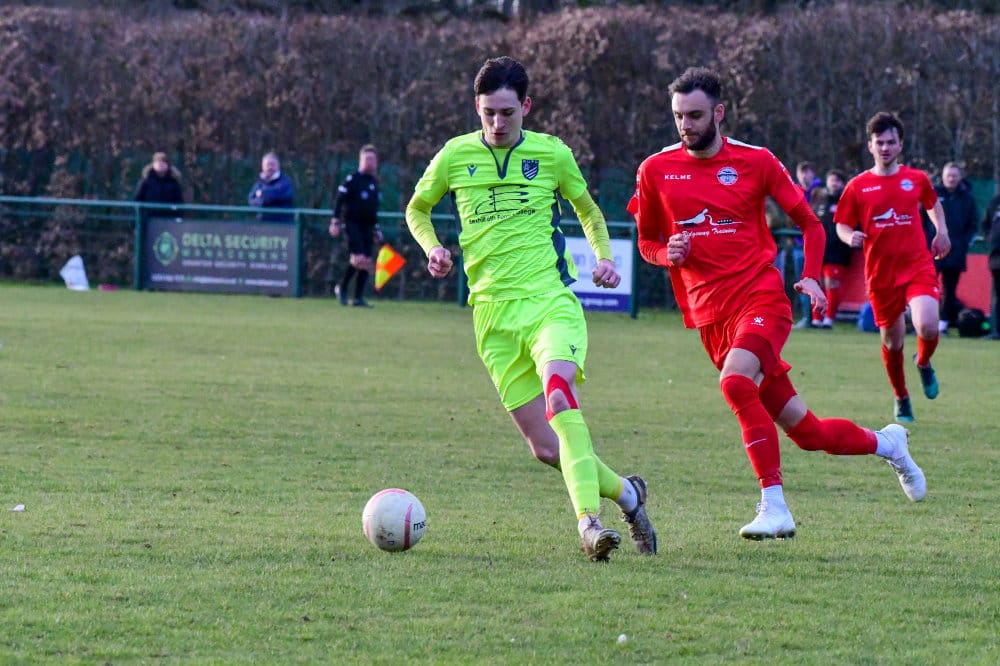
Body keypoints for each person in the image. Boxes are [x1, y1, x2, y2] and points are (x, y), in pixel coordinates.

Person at [629, 67, 925, 541]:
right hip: (711, 318)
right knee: (809, 433)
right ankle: (887, 443)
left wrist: (810, 275)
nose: (685, 125)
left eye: (695, 115)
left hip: (761, 297)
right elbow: (646, 241)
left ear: (719, 112)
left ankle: (775, 505)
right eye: (679, 116)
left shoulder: (757, 160)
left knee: (735, 383)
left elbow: (811, 223)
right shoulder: (655, 169)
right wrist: (668, 254)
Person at [404, 56, 657, 562]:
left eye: (507, 112)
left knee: (559, 395)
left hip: (549, 305)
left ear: (527, 106)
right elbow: (417, 208)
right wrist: (432, 248)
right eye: (488, 113)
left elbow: (588, 211)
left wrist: (605, 258)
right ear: (477, 108)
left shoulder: (552, 154)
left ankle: (589, 524)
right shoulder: (455, 155)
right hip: (491, 317)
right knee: (546, 449)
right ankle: (629, 495)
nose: (497, 123)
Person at [835, 112, 951, 423]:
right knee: (892, 342)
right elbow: (841, 224)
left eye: (890, 142)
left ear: (900, 145)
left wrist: (941, 231)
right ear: (870, 146)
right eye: (879, 142)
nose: (885, 148)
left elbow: (932, 204)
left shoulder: (916, 179)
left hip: (917, 266)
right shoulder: (858, 186)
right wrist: (849, 237)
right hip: (881, 275)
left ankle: (923, 362)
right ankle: (901, 396)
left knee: (928, 324)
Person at [329, 145, 383, 307]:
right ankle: (342, 287)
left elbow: (373, 209)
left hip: (368, 226)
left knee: (366, 261)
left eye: (372, 159)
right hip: (352, 224)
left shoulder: (374, 182)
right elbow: (339, 200)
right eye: (367, 159)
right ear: (360, 161)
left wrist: (376, 229)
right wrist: (335, 221)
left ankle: (358, 298)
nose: (370, 162)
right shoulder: (352, 179)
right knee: (358, 259)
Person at [933, 162, 979, 334]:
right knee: (926, 287)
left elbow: (973, 225)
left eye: (954, 175)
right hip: (932, 251)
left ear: (960, 177)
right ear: (943, 177)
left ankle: (942, 326)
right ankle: (922, 322)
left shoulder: (967, 199)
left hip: (955, 252)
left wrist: (963, 242)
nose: (951, 179)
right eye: (948, 175)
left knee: (949, 291)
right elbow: (921, 218)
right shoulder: (933, 194)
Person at [809, 169, 851, 328]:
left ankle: (828, 319)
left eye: (837, 181)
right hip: (818, 250)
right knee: (816, 284)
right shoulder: (820, 201)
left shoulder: (846, 201)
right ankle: (816, 319)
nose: (834, 183)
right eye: (832, 180)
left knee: (831, 283)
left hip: (838, 251)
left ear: (842, 183)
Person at [789, 161, 823, 328]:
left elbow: (817, 219)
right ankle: (806, 317)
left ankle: (818, 318)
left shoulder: (820, 193)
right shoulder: (792, 191)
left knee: (815, 281)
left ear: (813, 174)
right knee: (801, 283)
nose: (804, 176)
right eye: (801, 172)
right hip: (797, 243)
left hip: (814, 245)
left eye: (807, 172)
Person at [134, 152, 184, 220]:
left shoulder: (173, 183)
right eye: (157, 162)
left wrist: (177, 216)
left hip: (168, 218)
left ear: (168, 165)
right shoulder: (145, 181)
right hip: (148, 218)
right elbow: (137, 199)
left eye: (163, 162)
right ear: (153, 164)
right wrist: (141, 215)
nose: (160, 164)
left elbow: (179, 201)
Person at [247, 152, 295, 223]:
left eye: (272, 164)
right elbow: (251, 200)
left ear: (278, 166)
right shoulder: (259, 183)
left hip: (283, 223)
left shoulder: (285, 181)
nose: (270, 167)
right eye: (268, 164)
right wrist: (263, 201)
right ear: (262, 166)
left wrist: (262, 194)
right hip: (263, 223)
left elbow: (284, 195)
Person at [984, 190, 1000, 340]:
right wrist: (992, 240)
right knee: (997, 295)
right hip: (997, 258)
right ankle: (996, 330)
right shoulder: (995, 202)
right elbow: (985, 225)